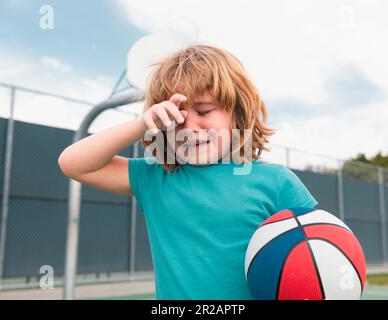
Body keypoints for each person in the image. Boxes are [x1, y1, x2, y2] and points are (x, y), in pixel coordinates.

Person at [58, 44, 318, 299]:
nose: (188, 127)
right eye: (174, 118)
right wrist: (140, 124)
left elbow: (320, 248)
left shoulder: (277, 181)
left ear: (237, 113)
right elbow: (72, 163)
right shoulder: (155, 177)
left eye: (204, 111)